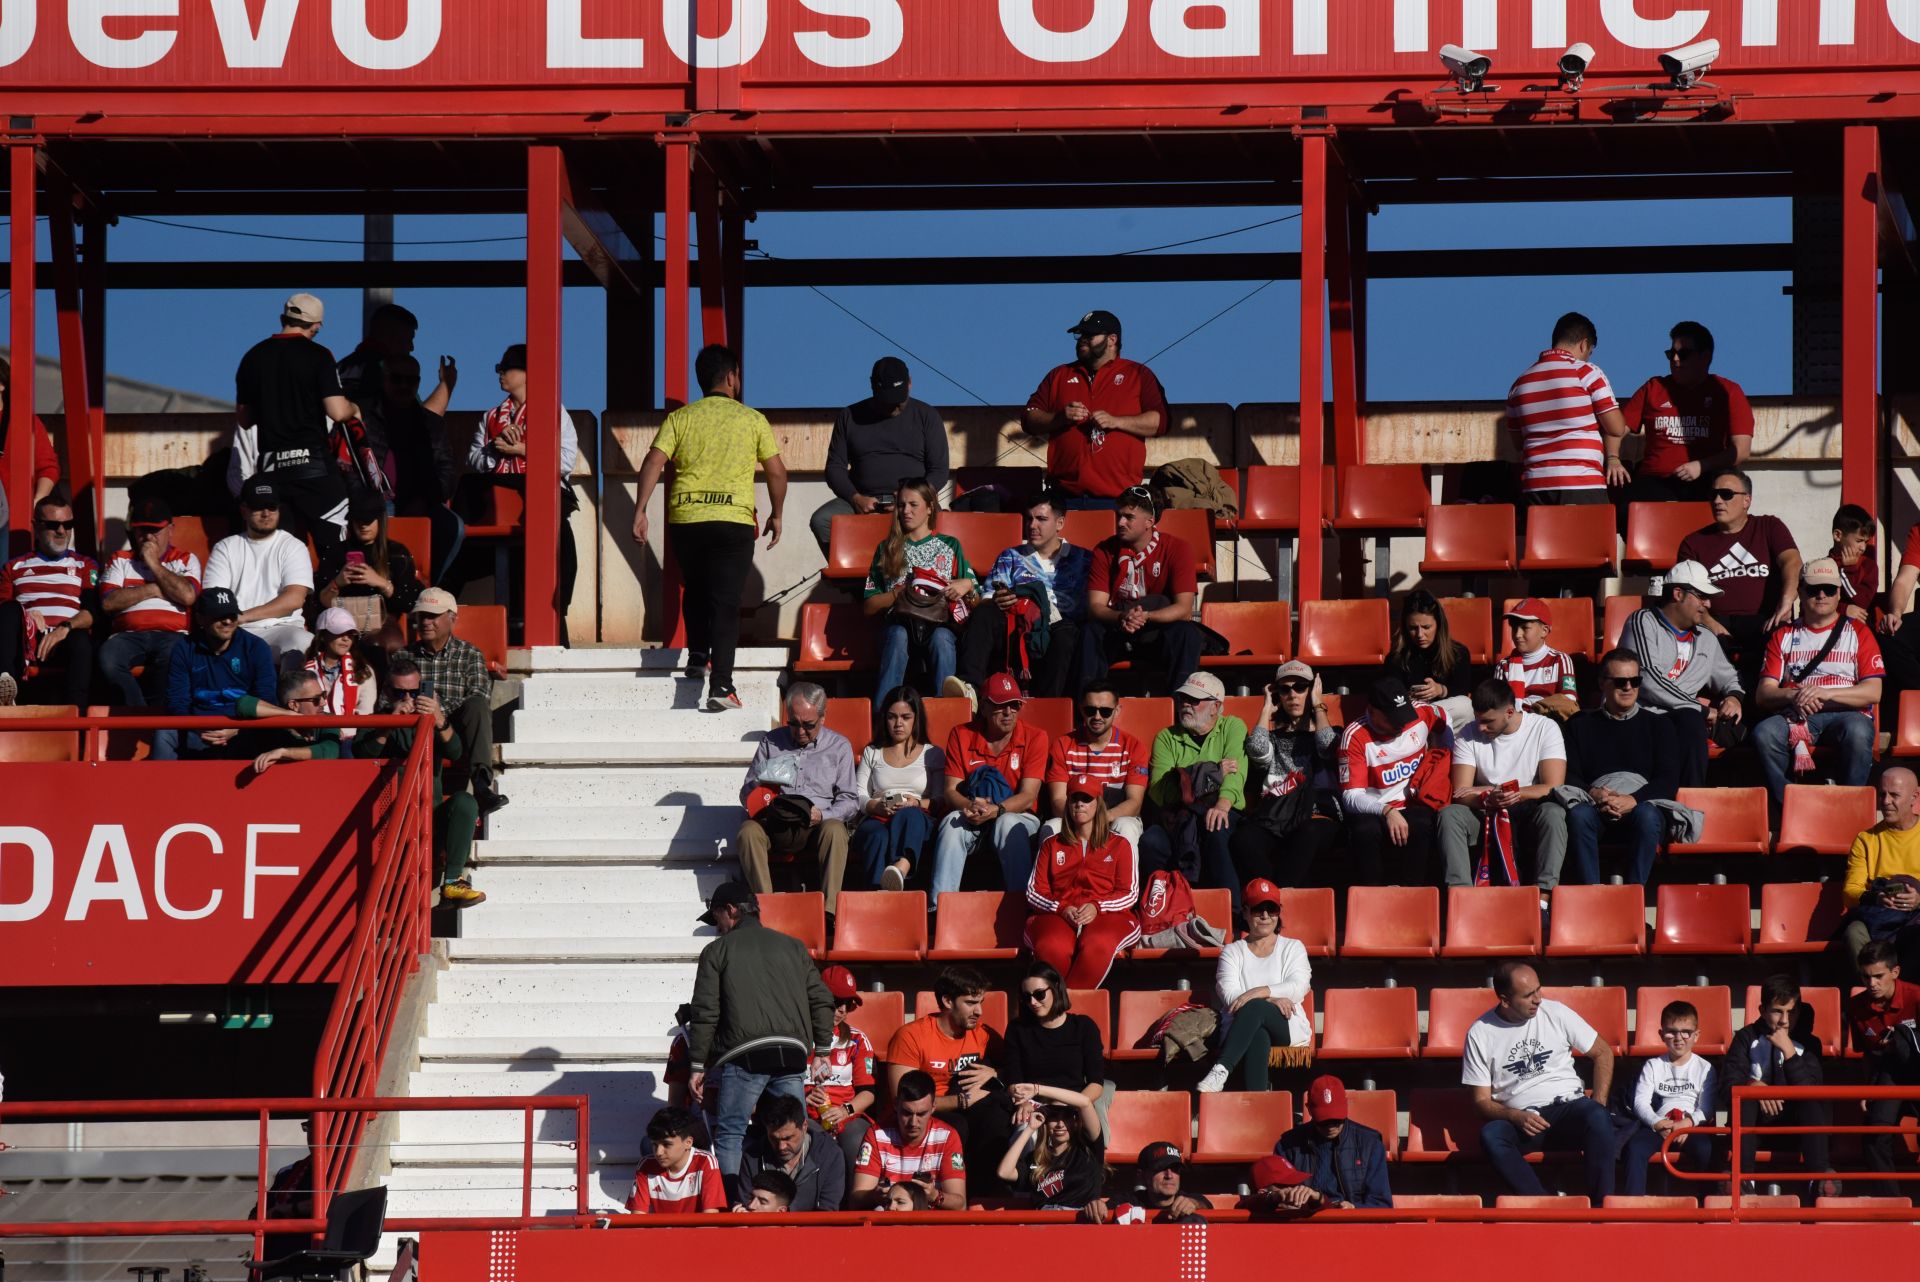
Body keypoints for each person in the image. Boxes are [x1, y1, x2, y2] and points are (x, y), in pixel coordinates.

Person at [633, 343, 784, 710]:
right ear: (732, 377)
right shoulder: (752, 419)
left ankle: (698, 658)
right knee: (726, 601)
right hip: (732, 521)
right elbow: (777, 471)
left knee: (697, 591)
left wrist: (640, 510)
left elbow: (653, 462)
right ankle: (722, 686)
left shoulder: (680, 419)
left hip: (686, 519)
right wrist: (777, 513)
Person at [687, 880, 837, 1203]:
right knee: (795, 1133)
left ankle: (732, 1209)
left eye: (717, 920)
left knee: (730, 1134)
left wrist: (698, 1064)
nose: (717, 929)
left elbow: (705, 1012)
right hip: (792, 1057)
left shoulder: (716, 951)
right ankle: (789, 1207)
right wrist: (823, 1049)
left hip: (745, 1058)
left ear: (730, 911)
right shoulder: (794, 946)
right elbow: (822, 999)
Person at [1464, 961, 1616, 1199]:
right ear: (1505, 1000)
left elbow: (1603, 1052)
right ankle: (1541, 1205)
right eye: (1528, 995)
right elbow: (1480, 1103)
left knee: (1597, 1115)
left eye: (1538, 989)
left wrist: (1598, 1102)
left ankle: (1602, 1208)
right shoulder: (1480, 1033)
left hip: (1569, 1109)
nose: (1538, 999)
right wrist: (1514, 1116)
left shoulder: (1556, 1012)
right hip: (1523, 1119)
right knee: (1492, 1135)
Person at [233, 293, 361, 556]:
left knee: (282, 554)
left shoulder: (252, 357)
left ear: (283, 318)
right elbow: (337, 412)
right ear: (317, 326)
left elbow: (245, 420)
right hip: (314, 469)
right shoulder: (319, 355)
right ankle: (330, 593)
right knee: (336, 550)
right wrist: (354, 409)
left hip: (272, 473)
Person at [471, 343, 582, 644]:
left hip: (543, 499)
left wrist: (521, 449)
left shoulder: (554, 411)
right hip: (500, 498)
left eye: (506, 368)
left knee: (560, 560)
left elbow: (566, 461)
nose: (500, 374)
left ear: (527, 372)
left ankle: (557, 630)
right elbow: (475, 459)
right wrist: (495, 449)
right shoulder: (492, 416)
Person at [1751, 557, 1883, 808]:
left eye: (1829, 589)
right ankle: (1789, 808)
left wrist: (1823, 693)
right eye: (1813, 589)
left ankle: (1850, 807)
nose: (1821, 595)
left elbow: (1873, 692)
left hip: (1847, 714)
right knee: (1765, 733)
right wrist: (1795, 696)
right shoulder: (1783, 635)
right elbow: (1763, 694)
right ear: (1800, 591)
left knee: (1858, 731)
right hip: (1797, 715)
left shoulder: (1858, 632)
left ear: (1838, 594)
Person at [355, 652, 483, 906]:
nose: (406, 699)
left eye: (414, 693)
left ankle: (452, 882)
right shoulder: (375, 721)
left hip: (428, 817)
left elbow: (456, 752)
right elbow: (362, 754)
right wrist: (391, 722)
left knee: (465, 802)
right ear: (385, 691)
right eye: (398, 692)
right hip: (389, 821)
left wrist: (439, 719)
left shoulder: (431, 721)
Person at [948, 490, 1093, 703]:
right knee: (985, 611)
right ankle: (970, 690)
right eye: (1029, 518)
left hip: (1061, 628)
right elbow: (988, 597)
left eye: (1041, 519)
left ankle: (1049, 706)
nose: (1032, 525)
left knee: (1067, 634)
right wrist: (999, 600)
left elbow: (1093, 603)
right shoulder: (1010, 556)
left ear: (1060, 523)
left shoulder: (1084, 559)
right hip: (1017, 627)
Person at [736, 683, 858, 925]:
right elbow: (746, 793)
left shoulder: (839, 746)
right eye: (793, 723)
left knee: (835, 830)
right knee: (747, 833)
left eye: (808, 725)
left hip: (815, 824)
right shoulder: (771, 742)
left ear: (823, 717)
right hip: (776, 820)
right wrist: (760, 787)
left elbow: (850, 801)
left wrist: (822, 815)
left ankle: (829, 913)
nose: (800, 731)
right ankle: (765, 908)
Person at [1023, 309, 1168, 509]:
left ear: (1112, 339)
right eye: (1080, 335)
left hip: (1119, 500)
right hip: (1063, 497)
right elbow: (1029, 418)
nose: (1082, 340)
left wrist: (1117, 421)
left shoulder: (1138, 374)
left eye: (1089, 335)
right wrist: (1059, 417)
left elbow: (1161, 422)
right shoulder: (1059, 374)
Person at [1561, 649, 1681, 886]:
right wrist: (1594, 794)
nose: (1628, 687)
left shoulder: (1659, 725)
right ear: (1602, 684)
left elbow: (1668, 780)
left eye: (1634, 681)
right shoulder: (1579, 724)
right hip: (1595, 805)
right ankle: (1591, 895)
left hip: (1642, 805)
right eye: (1620, 681)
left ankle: (1633, 898)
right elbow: (1568, 774)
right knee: (1578, 815)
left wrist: (1633, 799)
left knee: (1648, 816)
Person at [1439, 679, 1569, 898]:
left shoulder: (1544, 728)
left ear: (1510, 712)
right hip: (1485, 811)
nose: (1481, 727)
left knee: (1554, 814)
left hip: (1528, 809)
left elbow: (1553, 787)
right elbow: (1461, 793)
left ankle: (1544, 898)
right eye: (1478, 720)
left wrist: (1501, 791)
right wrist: (1487, 799)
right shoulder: (1468, 733)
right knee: (1450, 814)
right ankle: (1461, 897)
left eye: (1488, 721)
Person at [1620, 560, 1744, 788]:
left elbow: (1728, 677)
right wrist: (1702, 709)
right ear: (1677, 593)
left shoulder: (1706, 637)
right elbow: (1647, 679)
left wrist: (1734, 697)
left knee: (1692, 721)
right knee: (1690, 718)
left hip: (1685, 722)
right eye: (1701, 596)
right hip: (1645, 717)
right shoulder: (1642, 621)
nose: (1707, 604)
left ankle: (1690, 799)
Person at [809, 356, 950, 552]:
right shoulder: (849, 416)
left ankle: (923, 576)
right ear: (873, 387)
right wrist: (855, 498)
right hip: (863, 500)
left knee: (941, 526)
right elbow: (835, 467)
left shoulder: (927, 416)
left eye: (899, 398)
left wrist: (911, 497)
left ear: (909, 384)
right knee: (822, 519)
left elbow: (939, 470)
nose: (894, 405)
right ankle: (852, 578)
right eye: (887, 399)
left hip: (913, 499)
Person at [931, 673, 1047, 909]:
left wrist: (997, 810)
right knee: (952, 822)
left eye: (1014, 705)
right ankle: (939, 910)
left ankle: (1022, 910)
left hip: (1018, 817)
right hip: (973, 813)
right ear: (983, 707)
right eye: (1000, 706)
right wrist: (968, 806)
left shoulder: (1035, 737)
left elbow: (1028, 796)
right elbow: (950, 790)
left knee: (1008, 823)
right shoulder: (961, 734)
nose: (1009, 712)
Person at [1675, 469, 1802, 679]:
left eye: (1726, 494)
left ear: (1747, 500)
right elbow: (1687, 592)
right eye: (1713, 494)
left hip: (1765, 621)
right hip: (1714, 623)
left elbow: (1792, 561)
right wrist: (1709, 623)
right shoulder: (1694, 542)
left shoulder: (1769, 526)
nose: (1717, 500)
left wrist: (1787, 601)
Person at [1139, 672, 1248, 910]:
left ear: (1215, 707)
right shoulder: (1166, 737)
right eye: (1182, 699)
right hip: (1178, 817)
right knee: (1151, 841)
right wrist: (1212, 771)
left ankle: (1233, 913)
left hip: (1221, 808)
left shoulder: (1233, 726)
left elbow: (1235, 776)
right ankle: (1155, 913)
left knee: (1216, 826)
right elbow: (1160, 790)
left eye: (1194, 700)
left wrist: (1220, 802)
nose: (1185, 704)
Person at [862, 478, 974, 710]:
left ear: (930, 507)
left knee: (942, 640)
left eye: (913, 504)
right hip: (899, 623)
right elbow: (869, 606)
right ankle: (884, 717)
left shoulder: (950, 545)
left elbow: (977, 599)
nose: (906, 511)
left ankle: (947, 715)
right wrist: (900, 594)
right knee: (898, 636)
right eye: (902, 505)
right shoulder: (887, 548)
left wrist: (967, 586)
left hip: (939, 623)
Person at [1715, 975, 1833, 1191]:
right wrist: (1753, 1087)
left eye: (1791, 1011)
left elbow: (1811, 1090)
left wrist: (1789, 1051)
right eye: (1778, 1011)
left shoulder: (1810, 1043)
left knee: (1812, 1101)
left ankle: (1820, 1180)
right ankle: (1742, 1181)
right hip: (1756, 1129)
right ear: (1762, 1010)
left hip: (1797, 1129)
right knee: (1743, 1098)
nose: (1784, 1020)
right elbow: (1727, 1085)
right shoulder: (1745, 1037)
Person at [1195, 877, 1312, 1094]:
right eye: (1259, 909)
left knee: (1255, 1007)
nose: (1266, 915)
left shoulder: (1293, 947)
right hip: (1242, 1023)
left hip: (1286, 1023)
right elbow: (1230, 995)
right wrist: (1272, 999)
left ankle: (1222, 1068)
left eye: (1272, 909)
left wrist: (1260, 991)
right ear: (1246, 912)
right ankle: (1258, 1104)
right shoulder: (1232, 951)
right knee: (1258, 1032)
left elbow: (1299, 986)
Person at [1620, 321, 1754, 506]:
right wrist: (1612, 458)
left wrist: (1701, 466)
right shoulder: (1654, 388)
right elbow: (1617, 429)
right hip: (1654, 481)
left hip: (1705, 480)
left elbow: (1741, 450)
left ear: (1705, 357)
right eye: (1671, 354)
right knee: (1626, 504)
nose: (1675, 359)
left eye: (1683, 354)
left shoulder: (1727, 391)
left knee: (1724, 496)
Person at [1079, 486, 1201, 688]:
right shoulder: (1105, 550)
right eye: (1118, 516)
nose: (1120, 522)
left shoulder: (1178, 548)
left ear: (1149, 522)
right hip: (1119, 625)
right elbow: (1095, 607)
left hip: (1156, 629)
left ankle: (1182, 707)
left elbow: (1184, 609)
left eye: (1129, 517)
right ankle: (1090, 707)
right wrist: (1122, 617)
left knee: (1186, 634)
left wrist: (1146, 616)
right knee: (1090, 631)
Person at [1233, 661, 1341, 889]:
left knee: (1307, 833)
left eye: (1301, 687)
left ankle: (1277, 899)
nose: (1292, 694)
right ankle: (1269, 898)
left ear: (1312, 690)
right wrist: (1265, 709)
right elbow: (1257, 749)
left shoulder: (1331, 732)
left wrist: (1318, 703)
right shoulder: (1272, 738)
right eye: (1285, 689)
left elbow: (1327, 747)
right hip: (1276, 816)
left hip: (1316, 815)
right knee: (1244, 838)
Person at [1505, 311, 1629, 508]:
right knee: (1589, 539)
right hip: (1581, 483)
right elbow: (1616, 428)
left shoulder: (1519, 384)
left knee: (1544, 540)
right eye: (1589, 352)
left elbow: (1518, 442)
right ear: (1584, 344)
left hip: (1535, 487)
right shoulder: (1587, 373)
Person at [1025, 779, 1140, 989]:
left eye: (1086, 799)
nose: (1079, 804)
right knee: (1052, 945)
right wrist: (1060, 908)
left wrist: (1097, 906)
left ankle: (1065, 1007)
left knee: (1099, 943)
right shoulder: (1052, 845)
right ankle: (1060, 1006)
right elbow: (1034, 891)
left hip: (1109, 914)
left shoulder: (1120, 844)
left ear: (1098, 804)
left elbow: (1129, 893)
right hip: (1059, 912)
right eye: (1074, 799)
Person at [1340, 676, 1453, 887]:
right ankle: (1371, 897)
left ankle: (1414, 893)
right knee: (1364, 830)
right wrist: (1386, 811)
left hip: (1413, 801)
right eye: (1393, 718)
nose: (1401, 723)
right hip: (1376, 807)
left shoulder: (1421, 712)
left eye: (1403, 715)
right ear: (1373, 711)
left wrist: (1444, 760)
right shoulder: (1355, 736)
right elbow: (1351, 796)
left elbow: (1445, 720)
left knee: (1421, 823)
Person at [369, 352, 464, 585]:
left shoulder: (431, 424)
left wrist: (425, 499)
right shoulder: (366, 418)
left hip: (421, 502)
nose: (404, 385)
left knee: (454, 527)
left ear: (419, 383)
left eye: (410, 380)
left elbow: (447, 471)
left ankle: (428, 588)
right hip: (374, 503)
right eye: (397, 379)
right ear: (385, 379)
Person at [97, 497, 201, 708]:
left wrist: (153, 562)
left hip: (173, 635)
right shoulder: (120, 559)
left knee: (174, 658)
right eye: (141, 530)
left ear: (170, 530)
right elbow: (109, 602)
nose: (147, 537)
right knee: (108, 658)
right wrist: (155, 589)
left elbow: (188, 595)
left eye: (155, 531)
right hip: (127, 636)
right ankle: (139, 713)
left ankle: (155, 716)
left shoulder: (185, 559)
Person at [406, 587, 501, 813]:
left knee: (477, 706)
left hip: (455, 730)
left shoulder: (470, 654)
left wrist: (439, 711)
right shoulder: (404, 656)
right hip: (419, 727)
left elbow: (479, 695)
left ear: (452, 618)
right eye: (421, 616)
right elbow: (386, 701)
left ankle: (480, 782)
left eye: (432, 615)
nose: (426, 622)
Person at [157, 587, 277, 761]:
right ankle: (161, 787)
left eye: (233, 615)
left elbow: (266, 699)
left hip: (243, 730)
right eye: (219, 616)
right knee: (165, 734)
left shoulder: (256, 648)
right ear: (201, 619)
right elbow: (177, 701)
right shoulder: (184, 648)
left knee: (269, 734)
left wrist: (237, 729)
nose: (228, 621)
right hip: (198, 729)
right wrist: (198, 728)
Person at [0, 494, 98, 707]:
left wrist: (65, 628)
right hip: (27, 638)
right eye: (53, 525)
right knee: (9, 610)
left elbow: (93, 612)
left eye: (68, 524)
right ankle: (5, 690)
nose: (62, 531)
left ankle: (77, 721)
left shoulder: (85, 565)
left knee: (81, 640)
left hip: (66, 638)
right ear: (37, 526)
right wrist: (25, 615)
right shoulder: (14, 567)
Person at [205, 476, 314, 660]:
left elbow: (294, 599)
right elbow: (214, 599)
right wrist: (236, 621)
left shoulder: (294, 546)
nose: (266, 513)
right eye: (258, 507)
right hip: (237, 631)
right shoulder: (225, 547)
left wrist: (244, 616)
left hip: (282, 628)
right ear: (244, 510)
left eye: (272, 507)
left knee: (304, 642)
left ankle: (291, 690)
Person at [1616, 999, 1716, 1196]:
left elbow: (1707, 1108)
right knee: (1635, 1148)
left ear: (1696, 1035)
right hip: (1659, 1127)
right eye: (1671, 1031)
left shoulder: (1705, 1068)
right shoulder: (1653, 1065)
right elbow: (1640, 1102)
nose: (1679, 1038)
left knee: (1706, 1149)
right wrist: (1657, 1123)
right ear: (1662, 1035)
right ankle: (1633, 1206)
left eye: (1686, 1032)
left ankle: (1708, 1204)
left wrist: (1687, 1124)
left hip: (1690, 1128)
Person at [1846, 940, 1920, 1195]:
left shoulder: (1917, 997)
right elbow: (1867, 1054)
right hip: (1888, 1074)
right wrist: (1869, 1089)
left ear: (1895, 973)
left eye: (1878, 976)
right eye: (1866, 977)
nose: (1872, 984)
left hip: (1918, 1071)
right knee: (1875, 1134)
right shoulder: (1857, 1006)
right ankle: (1893, 1205)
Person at [853, 686, 943, 892]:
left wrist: (917, 803)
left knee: (909, 815)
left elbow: (941, 798)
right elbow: (859, 795)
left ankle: (900, 868)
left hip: (916, 818)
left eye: (906, 717)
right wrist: (877, 807)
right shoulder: (872, 751)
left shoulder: (933, 753)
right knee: (877, 836)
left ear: (916, 718)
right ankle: (879, 893)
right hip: (878, 816)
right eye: (892, 717)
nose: (898, 723)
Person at [1044, 681, 1149, 858]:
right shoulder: (1062, 745)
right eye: (1090, 710)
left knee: (1127, 827)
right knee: (1052, 827)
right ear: (1081, 709)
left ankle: (1126, 886)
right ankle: (1048, 885)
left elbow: (1135, 803)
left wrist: (1100, 819)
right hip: (1074, 817)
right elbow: (1057, 801)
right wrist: (1083, 820)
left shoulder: (1133, 747)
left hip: (1115, 816)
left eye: (1105, 711)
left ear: (1117, 711)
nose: (1097, 716)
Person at [1837, 767, 1920, 973]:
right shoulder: (1866, 840)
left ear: (1914, 796)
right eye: (1882, 794)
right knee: (1854, 932)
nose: (1885, 801)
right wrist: (1877, 898)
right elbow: (1850, 893)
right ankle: (1877, 994)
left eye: (1894, 795)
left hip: (1916, 918)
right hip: (1878, 918)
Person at [848, 1069, 968, 1211]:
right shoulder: (877, 1135)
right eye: (907, 1113)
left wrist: (935, 1196)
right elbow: (855, 1200)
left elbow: (960, 1205)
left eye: (921, 1114)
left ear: (933, 1107)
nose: (913, 1122)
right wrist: (875, 1195)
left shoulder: (948, 1137)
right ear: (896, 1104)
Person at [315, 489, 423, 637]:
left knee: (377, 645)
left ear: (380, 519)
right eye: (358, 520)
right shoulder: (335, 551)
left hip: (381, 622)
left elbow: (408, 603)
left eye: (368, 520)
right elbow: (319, 603)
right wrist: (337, 583)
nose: (363, 525)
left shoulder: (397, 553)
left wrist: (381, 582)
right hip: (340, 622)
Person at [1275, 1075, 1393, 1210]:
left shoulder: (1370, 1144)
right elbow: (1274, 1195)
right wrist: (1287, 1200)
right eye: (1324, 1121)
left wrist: (1354, 1208)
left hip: (1351, 1225)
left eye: (1337, 1120)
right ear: (1309, 1109)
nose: (1331, 1126)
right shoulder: (1288, 1145)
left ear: (1346, 1105)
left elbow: (1382, 1204)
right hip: (1304, 1221)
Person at [807, 963, 879, 1174]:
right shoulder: (796, 1038)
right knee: (810, 1138)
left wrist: (844, 1111)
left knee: (858, 1139)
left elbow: (869, 1093)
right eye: (837, 1001)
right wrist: (801, 1101)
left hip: (847, 1116)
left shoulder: (856, 1039)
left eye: (848, 1003)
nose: (843, 1010)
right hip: (804, 1116)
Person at [1003, 962, 1107, 1106]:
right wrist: (1024, 1104)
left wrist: (1069, 1107)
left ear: (1056, 988)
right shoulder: (1018, 1029)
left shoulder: (1084, 1026)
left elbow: (1096, 1084)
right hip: (1033, 1106)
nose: (1033, 1002)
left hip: (1075, 1104)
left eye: (1039, 994)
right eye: (1027, 997)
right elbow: (1014, 1080)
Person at [996, 1084, 1105, 1211]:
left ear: (1075, 1121)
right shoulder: (1036, 1160)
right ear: (1045, 1122)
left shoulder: (1088, 1149)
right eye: (1053, 1117)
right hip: (1043, 1225)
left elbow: (1085, 1102)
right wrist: (1030, 1129)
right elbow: (1004, 1172)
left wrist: (1037, 1089)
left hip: (1078, 1223)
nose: (1060, 1124)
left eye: (1066, 1116)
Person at [335, 302, 454, 414]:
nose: (412, 348)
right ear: (393, 338)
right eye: (409, 339)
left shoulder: (340, 368)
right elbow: (422, 424)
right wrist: (446, 383)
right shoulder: (392, 374)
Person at [737, 1094, 846, 1214]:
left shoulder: (830, 1155)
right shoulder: (752, 1156)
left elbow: (827, 1211)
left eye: (788, 1138)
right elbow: (745, 1203)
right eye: (773, 1139)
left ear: (804, 1126)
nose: (781, 1146)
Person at [1387, 589, 1476, 730]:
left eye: (1426, 627)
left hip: (1441, 713)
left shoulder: (1458, 653)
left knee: (1465, 705)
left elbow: (1462, 690)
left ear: (1438, 625)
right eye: (1413, 628)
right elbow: (1388, 695)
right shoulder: (1397, 657)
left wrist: (1441, 690)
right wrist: (1408, 697)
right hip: (1411, 715)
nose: (1420, 634)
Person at [625, 1106, 726, 1215]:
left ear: (688, 1142)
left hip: (696, 1232)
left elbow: (710, 1222)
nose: (658, 1152)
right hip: (659, 1232)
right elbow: (638, 1220)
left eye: (666, 1144)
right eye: (655, 1144)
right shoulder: (645, 1165)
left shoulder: (706, 1162)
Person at [0, 355, 61, 533]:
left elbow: (48, 467)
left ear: (2, 385)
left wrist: (35, 504)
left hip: (14, 523)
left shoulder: (24, 422)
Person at [1079, 1142, 1211, 1224]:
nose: (1169, 1175)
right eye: (1160, 1169)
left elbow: (1206, 1205)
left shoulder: (1191, 1200)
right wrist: (1096, 1206)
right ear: (1141, 1176)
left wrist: (1194, 1205)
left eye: (1175, 1169)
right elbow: (1103, 1210)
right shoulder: (1127, 1200)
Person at [1495, 599, 1579, 721]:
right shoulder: (1503, 666)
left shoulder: (1560, 660)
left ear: (1544, 631)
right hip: (1514, 729)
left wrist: (1528, 711)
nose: (1517, 634)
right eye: (1514, 628)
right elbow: (1497, 706)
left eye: (1525, 628)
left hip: (1550, 727)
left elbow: (1568, 704)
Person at [249, 670, 344, 774]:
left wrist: (283, 753)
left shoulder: (328, 719)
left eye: (323, 695)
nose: (323, 702)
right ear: (294, 705)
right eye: (316, 699)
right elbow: (243, 704)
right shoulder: (277, 726)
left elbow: (329, 751)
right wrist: (288, 713)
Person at [301, 608, 378, 733]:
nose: (346, 638)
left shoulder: (363, 671)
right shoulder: (304, 669)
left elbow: (366, 712)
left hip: (349, 739)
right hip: (312, 733)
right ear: (322, 636)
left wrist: (342, 731)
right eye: (339, 632)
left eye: (350, 634)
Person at [1830, 503, 1877, 622]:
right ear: (1838, 535)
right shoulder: (1822, 566)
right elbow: (1808, 606)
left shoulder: (1868, 566)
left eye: (1866, 542)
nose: (1863, 548)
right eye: (1859, 540)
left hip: (1858, 631)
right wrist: (1843, 609)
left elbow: (1862, 603)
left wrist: (1849, 570)